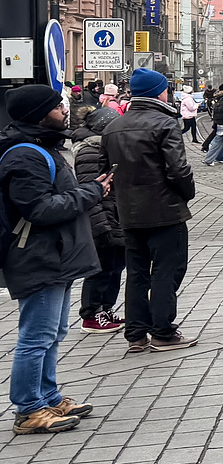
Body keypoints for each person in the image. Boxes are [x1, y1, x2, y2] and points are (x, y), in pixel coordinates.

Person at [1, 83, 108, 434]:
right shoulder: (25, 155)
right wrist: (92, 191)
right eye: (57, 106)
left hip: (55, 254)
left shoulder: (40, 147)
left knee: (54, 331)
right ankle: (29, 409)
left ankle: (47, 396)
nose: (65, 110)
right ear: (39, 114)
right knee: (37, 335)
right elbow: (40, 209)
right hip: (37, 255)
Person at [101, 68, 197, 354]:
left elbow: (104, 172)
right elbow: (178, 169)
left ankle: (136, 334)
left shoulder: (112, 127)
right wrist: (186, 194)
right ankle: (163, 332)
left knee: (137, 272)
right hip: (165, 211)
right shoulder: (165, 124)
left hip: (129, 213)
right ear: (159, 91)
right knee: (168, 270)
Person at [70, 101, 125, 332]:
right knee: (101, 268)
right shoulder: (90, 151)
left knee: (114, 267)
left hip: (115, 214)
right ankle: (91, 315)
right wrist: (102, 225)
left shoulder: (105, 148)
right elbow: (89, 191)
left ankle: (105, 308)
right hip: (103, 218)